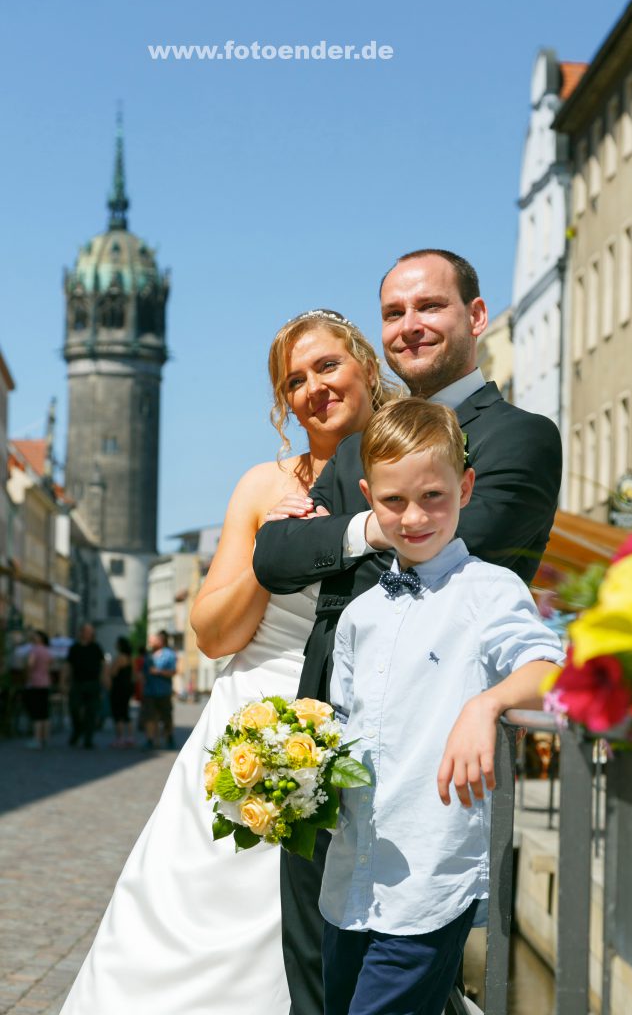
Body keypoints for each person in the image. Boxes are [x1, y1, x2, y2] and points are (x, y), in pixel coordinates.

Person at [252, 249, 563, 1015]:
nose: (409, 326)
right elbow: (275, 555)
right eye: (393, 312)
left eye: (429, 307)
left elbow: (464, 554)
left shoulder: (520, 435)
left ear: (475, 317)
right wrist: (360, 530)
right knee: (314, 979)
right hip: (321, 755)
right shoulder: (361, 441)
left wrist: (340, 535)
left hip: (430, 776)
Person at [58, 309, 395, 1015]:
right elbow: (211, 633)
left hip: (361, 726)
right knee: (188, 903)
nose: (313, 388)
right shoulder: (263, 484)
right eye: (293, 380)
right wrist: (275, 553)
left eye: (327, 366)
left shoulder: (407, 468)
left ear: (363, 364)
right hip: (249, 718)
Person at [320, 398, 565, 1015]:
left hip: (429, 877)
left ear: (466, 487)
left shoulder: (488, 590)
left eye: (433, 496)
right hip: (351, 877)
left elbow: (546, 669)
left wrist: (486, 705)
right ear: (368, 497)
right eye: (394, 501)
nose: (414, 517)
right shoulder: (359, 614)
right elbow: (343, 726)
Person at [65, 624, 105, 750]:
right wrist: (63, 681)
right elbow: (68, 665)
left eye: (90, 632)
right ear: (81, 633)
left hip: (93, 683)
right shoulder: (74, 648)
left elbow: (103, 664)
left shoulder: (96, 647)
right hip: (77, 683)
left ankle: (88, 738)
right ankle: (77, 730)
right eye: (86, 631)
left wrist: (105, 679)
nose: (88, 634)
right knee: (74, 708)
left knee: (91, 711)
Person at [141, 630, 177, 750]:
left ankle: (169, 737)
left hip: (164, 691)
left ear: (160, 641)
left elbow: (173, 671)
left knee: (166, 717)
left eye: (153, 639)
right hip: (149, 691)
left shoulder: (169, 654)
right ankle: (150, 740)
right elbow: (144, 673)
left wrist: (159, 672)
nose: (150, 642)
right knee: (150, 716)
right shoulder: (148, 655)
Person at [24, 630, 53, 750]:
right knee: (44, 712)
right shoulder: (47, 651)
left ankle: (36, 739)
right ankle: (45, 737)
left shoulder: (34, 650)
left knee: (36, 712)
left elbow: (30, 664)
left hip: (35, 683)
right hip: (46, 682)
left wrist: (27, 677)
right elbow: (50, 665)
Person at [108, 636, 135, 748]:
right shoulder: (130, 658)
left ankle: (120, 739)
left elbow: (113, 672)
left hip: (118, 687)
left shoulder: (119, 658)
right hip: (127, 687)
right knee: (126, 713)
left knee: (118, 713)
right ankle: (130, 738)